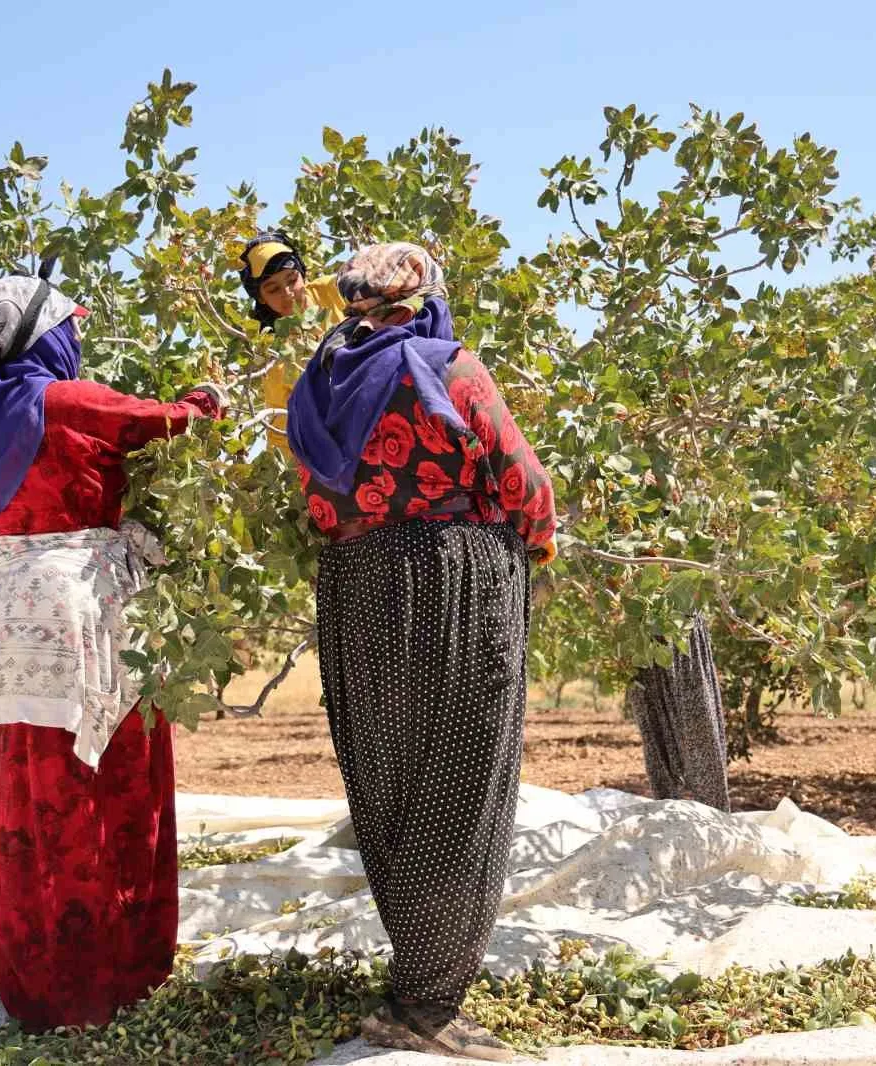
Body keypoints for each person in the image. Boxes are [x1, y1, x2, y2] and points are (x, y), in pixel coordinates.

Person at [286, 243, 556, 1061]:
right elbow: (520, 479)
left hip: (355, 586)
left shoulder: (320, 383)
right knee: (463, 780)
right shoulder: (446, 366)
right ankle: (429, 1003)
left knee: (389, 777)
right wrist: (535, 550)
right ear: (427, 295)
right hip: (453, 582)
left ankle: (418, 965)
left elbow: (313, 496)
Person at [0, 271, 226, 1031]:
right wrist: (204, 397)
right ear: (44, 337)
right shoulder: (64, 401)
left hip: (3, 618)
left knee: (19, 782)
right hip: (76, 610)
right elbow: (175, 422)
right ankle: (109, 973)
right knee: (98, 775)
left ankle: (37, 980)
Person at [238, 230, 346, 457]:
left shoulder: (336, 289)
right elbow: (280, 434)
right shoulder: (272, 352)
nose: (288, 294)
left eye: (292, 280)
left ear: (303, 274)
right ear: (261, 298)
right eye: (273, 289)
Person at [626, 613, 732, 811]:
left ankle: (715, 814)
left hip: (682, 628)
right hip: (641, 634)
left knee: (700, 729)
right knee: (654, 733)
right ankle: (667, 812)